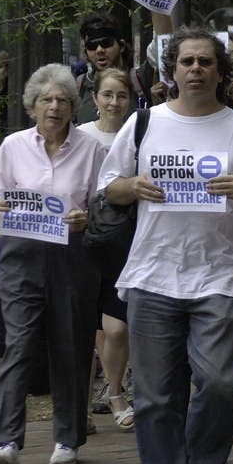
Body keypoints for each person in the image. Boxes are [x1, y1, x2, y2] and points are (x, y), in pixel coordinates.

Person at [98, 27, 233, 464]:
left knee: (220, 382)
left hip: (218, 275)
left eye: (205, 62)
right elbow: (108, 188)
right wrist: (131, 186)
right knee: (155, 395)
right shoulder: (145, 123)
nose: (195, 69)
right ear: (172, 70)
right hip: (154, 273)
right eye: (187, 61)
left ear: (220, 72)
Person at [0, 64, 106, 464]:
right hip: (20, 254)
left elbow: (103, 203)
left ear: (73, 107)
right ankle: (5, 440)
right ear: (32, 106)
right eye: (46, 100)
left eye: (62, 100)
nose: (54, 107)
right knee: (19, 342)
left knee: (70, 343)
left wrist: (87, 217)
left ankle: (67, 437)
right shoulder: (14, 145)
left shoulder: (91, 150)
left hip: (72, 256)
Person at [77, 67, 135, 430]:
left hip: (124, 242)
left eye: (122, 95)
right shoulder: (80, 136)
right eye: (108, 94)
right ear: (95, 98)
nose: (114, 102)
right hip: (84, 242)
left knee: (116, 329)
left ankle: (115, 392)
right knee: (83, 328)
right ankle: (77, 408)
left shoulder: (137, 135)